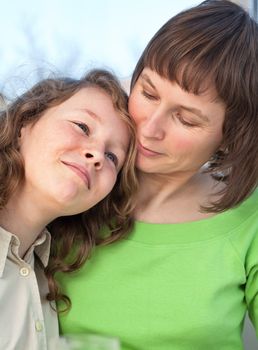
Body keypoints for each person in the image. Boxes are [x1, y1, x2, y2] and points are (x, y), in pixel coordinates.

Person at [58, 1, 258, 349]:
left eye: (187, 119)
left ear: (230, 134)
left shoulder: (249, 220)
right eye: (148, 93)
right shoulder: (75, 183)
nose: (149, 129)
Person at [0, 69, 138, 350]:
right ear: (25, 122)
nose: (97, 154)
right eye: (83, 127)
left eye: (113, 156)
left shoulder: (44, 279)